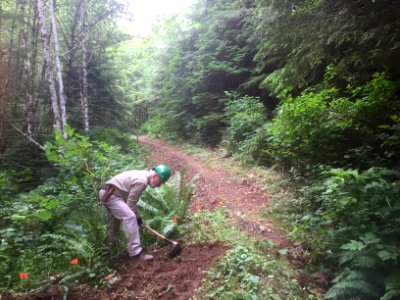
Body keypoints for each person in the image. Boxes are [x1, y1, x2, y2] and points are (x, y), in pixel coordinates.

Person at [99, 164, 171, 261]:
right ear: (155, 176)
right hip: (112, 195)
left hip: (108, 193)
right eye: (161, 182)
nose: (159, 185)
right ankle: (135, 253)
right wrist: (137, 219)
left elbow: (131, 203)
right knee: (130, 217)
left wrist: (139, 220)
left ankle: (107, 251)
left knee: (113, 225)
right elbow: (130, 205)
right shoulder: (142, 181)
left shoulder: (142, 175)